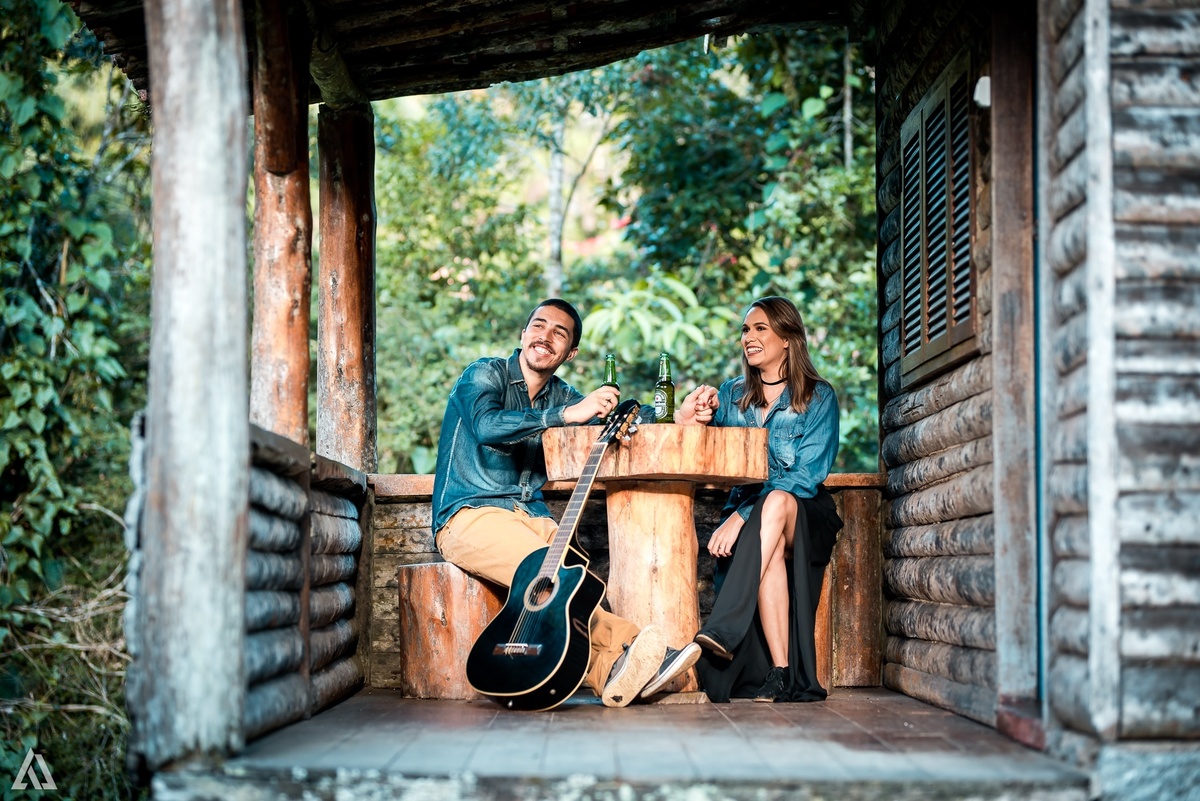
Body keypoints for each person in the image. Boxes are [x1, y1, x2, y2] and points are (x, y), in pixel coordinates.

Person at [432, 298, 701, 707]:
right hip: (469, 513)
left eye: (559, 333)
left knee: (580, 586)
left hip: (532, 516)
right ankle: (634, 648)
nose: (545, 336)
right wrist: (566, 415)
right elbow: (487, 426)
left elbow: (617, 421)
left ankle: (611, 672)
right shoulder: (485, 373)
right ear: (523, 334)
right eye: (538, 326)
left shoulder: (561, 394)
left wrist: (675, 418)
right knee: (552, 576)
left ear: (570, 353)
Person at [675, 296, 843, 703]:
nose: (748, 337)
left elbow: (806, 477)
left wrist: (740, 516)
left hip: (805, 515)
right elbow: (701, 452)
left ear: (787, 337)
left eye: (760, 328)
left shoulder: (819, 396)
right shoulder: (732, 395)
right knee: (768, 555)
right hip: (763, 528)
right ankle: (781, 674)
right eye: (745, 330)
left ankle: (723, 628)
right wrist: (691, 417)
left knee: (778, 501)